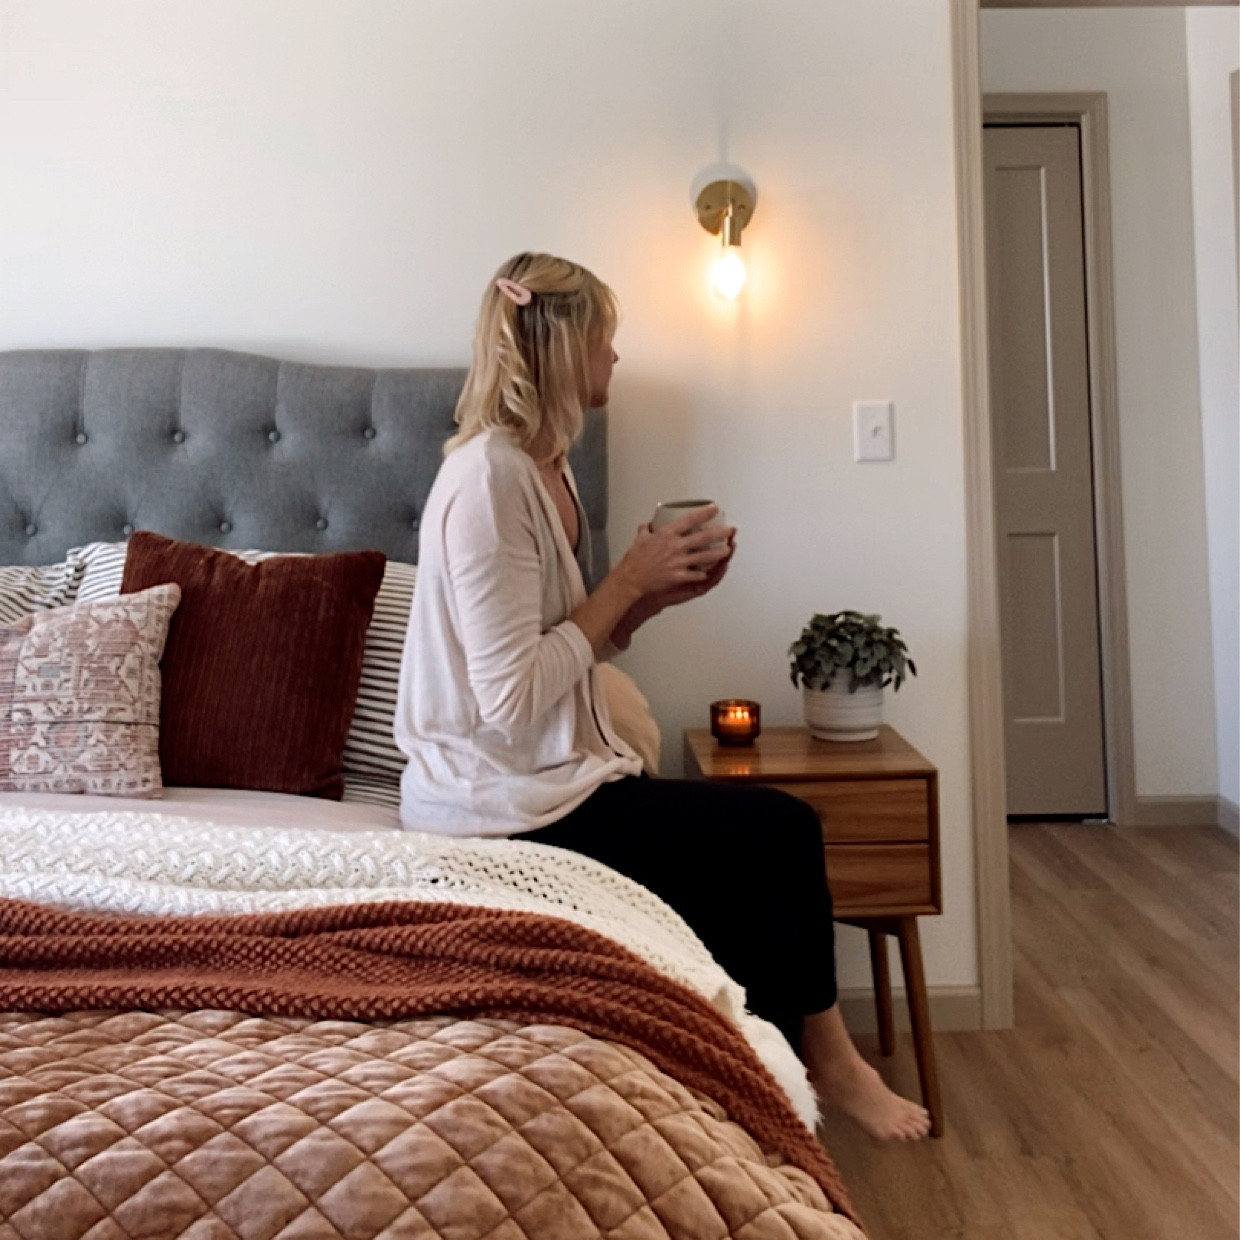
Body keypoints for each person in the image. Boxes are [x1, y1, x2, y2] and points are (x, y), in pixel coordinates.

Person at [394, 251, 931, 1142]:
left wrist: (651, 596)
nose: (614, 359)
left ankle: (765, 1076)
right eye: (606, 340)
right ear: (563, 348)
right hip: (490, 804)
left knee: (751, 850)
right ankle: (825, 1062)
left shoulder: (546, 468)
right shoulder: (487, 480)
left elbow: (572, 645)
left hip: (553, 778)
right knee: (780, 832)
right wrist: (624, 582)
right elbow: (507, 699)